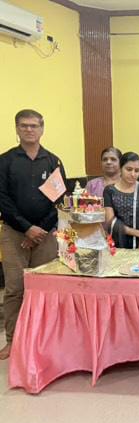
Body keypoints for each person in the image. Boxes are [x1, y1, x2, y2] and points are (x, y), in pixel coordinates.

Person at [0, 109, 66, 360]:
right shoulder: (5, 161)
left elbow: (58, 200)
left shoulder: (53, 161)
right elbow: (3, 199)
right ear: (16, 129)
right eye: (24, 126)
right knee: (15, 288)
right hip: (13, 233)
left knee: (45, 288)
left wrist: (40, 229)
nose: (29, 129)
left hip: (46, 235)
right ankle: (13, 340)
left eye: (34, 125)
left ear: (42, 128)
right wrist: (26, 228)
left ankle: (44, 340)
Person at [104, 152, 139, 249]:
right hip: (115, 245)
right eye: (129, 169)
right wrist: (138, 233)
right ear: (120, 168)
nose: (133, 174)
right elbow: (110, 221)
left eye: (137, 170)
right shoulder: (109, 191)